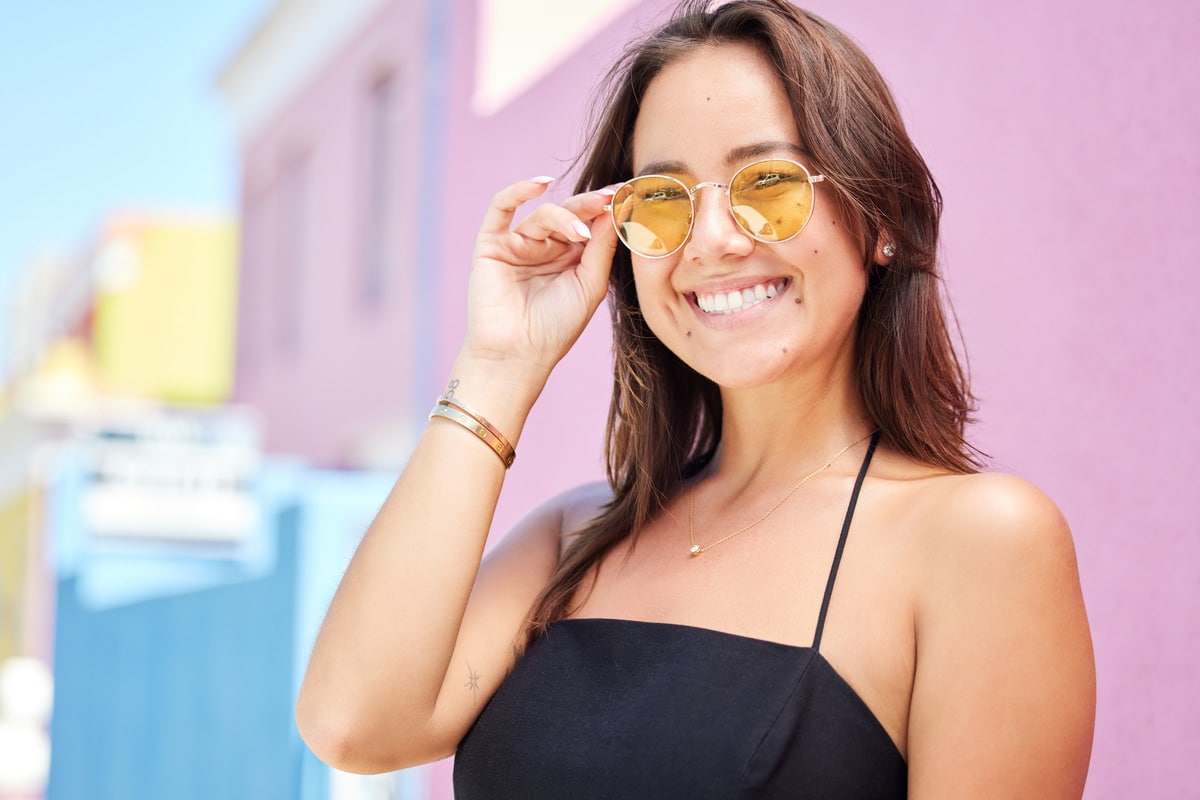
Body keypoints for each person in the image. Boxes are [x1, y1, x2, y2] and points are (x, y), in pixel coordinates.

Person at [295, 0, 1096, 796]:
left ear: (881, 218)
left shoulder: (982, 543)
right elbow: (353, 723)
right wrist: (501, 364)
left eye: (771, 183)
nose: (711, 239)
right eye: (663, 200)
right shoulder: (574, 540)